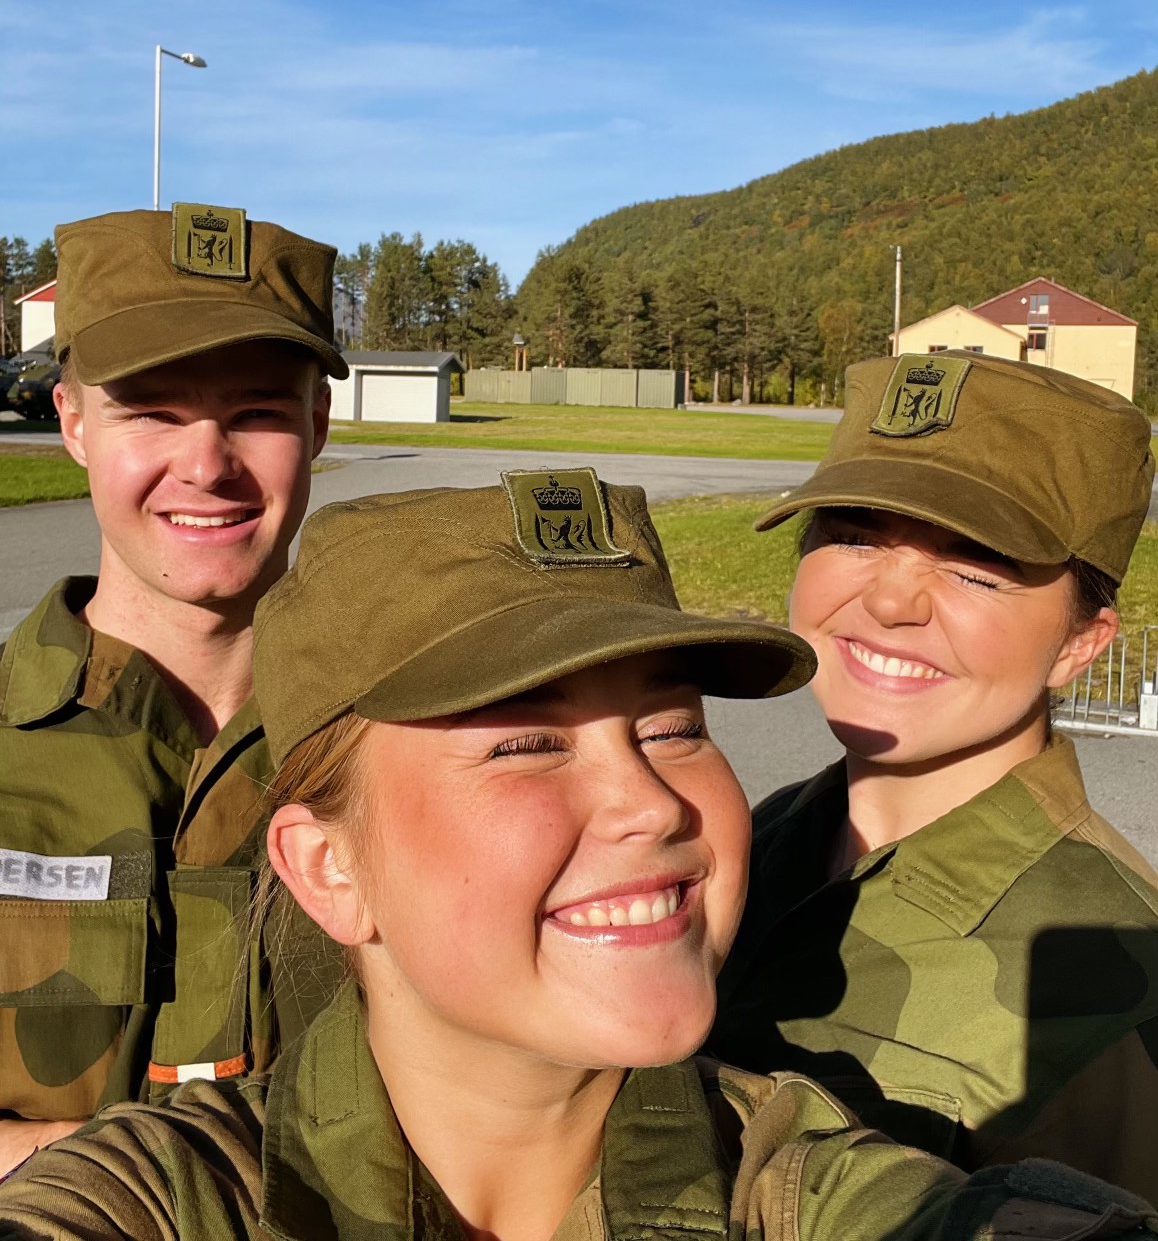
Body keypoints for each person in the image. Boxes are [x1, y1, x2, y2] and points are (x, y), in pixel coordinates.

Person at [1, 474, 1154, 1241]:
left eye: (672, 726)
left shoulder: (816, 1189)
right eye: (525, 740)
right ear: (325, 869)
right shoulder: (159, 1198)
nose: (647, 802)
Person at [711, 351, 1158, 1196]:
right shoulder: (756, 839)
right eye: (853, 536)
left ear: (1079, 644)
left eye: (973, 568)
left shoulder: (1111, 999)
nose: (890, 601)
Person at [0, 204, 348, 1172]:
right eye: (151, 407)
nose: (206, 464)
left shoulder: (400, 740)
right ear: (71, 421)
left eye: (257, 410)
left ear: (317, 423)